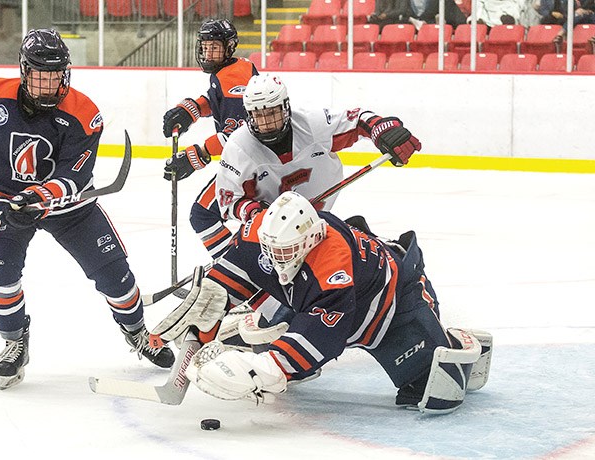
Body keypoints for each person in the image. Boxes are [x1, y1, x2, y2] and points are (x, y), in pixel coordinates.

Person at [0, 29, 174, 390]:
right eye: (40, 76)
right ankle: (15, 342)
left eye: (56, 76)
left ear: (67, 73)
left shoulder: (84, 112)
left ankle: (137, 330)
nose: (49, 86)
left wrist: (40, 197)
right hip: (6, 202)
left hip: (68, 207)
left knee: (115, 275)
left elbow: (74, 176)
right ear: (23, 70)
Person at [154, 191, 493, 413]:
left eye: (285, 252)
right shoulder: (262, 233)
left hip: (391, 308)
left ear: (312, 240)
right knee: (270, 332)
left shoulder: (332, 262)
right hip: (318, 300)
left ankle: (447, 340)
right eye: (271, 249)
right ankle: (291, 359)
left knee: (438, 395)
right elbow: (238, 266)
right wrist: (212, 300)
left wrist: (270, 367)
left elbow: (329, 332)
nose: (276, 258)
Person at [215, 73, 421, 226]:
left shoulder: (311, 124)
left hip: (320, 220)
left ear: (285, 107)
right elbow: (229, 202)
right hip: (268, 230)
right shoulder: (239, 147)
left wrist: (380, 128)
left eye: (271, 113)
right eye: (258, 115)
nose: (266, 122)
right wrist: (256, 214)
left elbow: (358, 119)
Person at [161, 18, 258, 260]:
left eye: (215, 47)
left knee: (203, 214)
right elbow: (217, 100)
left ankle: (236, 270)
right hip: (255, 161)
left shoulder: (232, 78)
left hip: (250, 165)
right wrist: (191, 109)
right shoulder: (238, 68)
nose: (208, 53)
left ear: (229, 47)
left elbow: (240, 134)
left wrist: (198, 155)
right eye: (205, 47)